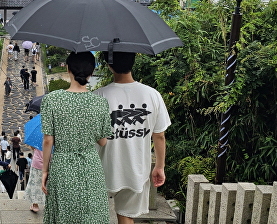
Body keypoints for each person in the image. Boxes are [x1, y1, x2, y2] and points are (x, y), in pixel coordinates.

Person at [94, 51, 171, 224]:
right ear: (133, 62)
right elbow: (159, 135)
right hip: (136, 168)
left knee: (96, 216)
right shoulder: (153, 95)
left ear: (109, 65)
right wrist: (159, 166)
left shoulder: (97, 96)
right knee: (126, 215)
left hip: (102, 169)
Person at [41, 51, 112, 223]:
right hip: (90, 166)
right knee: (92, 214)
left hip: (62, 165)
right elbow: (103, 141)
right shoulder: (100, 102)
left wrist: (45, 170)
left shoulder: (52, 100)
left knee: (63, 213)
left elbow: (48, 140)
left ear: (68, 69)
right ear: (92, 72)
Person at [24, 148, 45, 213]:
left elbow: (32, 147)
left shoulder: (37, 138)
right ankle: (48, 204)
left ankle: (35, 204)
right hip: (49, 163)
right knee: (48, 185)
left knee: (35, 184)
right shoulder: (52, 138)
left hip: (37, 163)